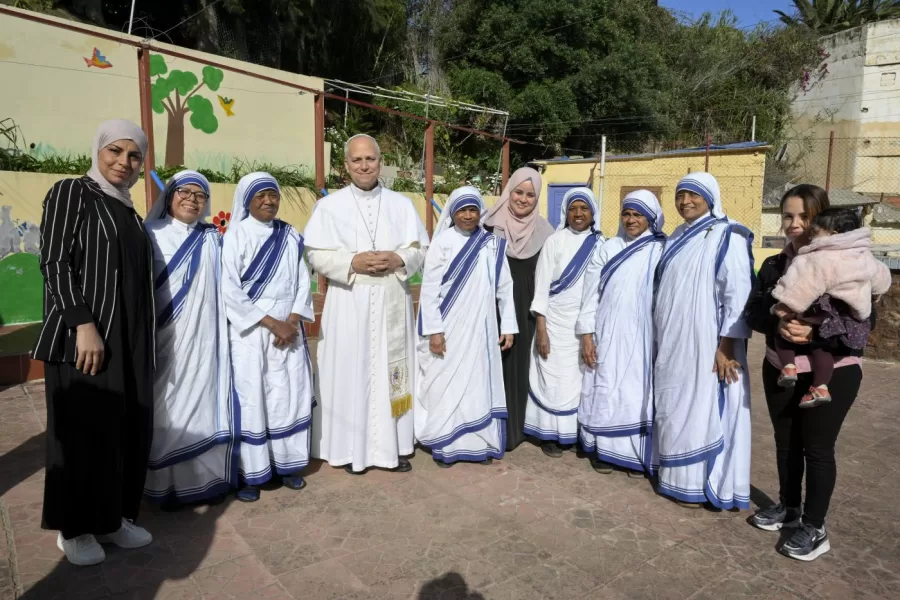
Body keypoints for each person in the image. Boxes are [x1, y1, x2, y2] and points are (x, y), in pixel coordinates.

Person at [33, 120, 155, 566]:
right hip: (85, 338)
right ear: (98, 151)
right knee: (83, 431)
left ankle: (112, 518)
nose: (124, 162)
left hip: (129, 339)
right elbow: (54, 260)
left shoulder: (128, 210)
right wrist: (82, 323)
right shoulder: (73, 192)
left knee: (123, 429)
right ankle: (75, 527)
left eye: (134, 155)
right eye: (115, 152)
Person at [744, 185, 877, 562]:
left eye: (804, 217)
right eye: (788, 216)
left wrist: (816, 330)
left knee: (817, 449)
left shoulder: (850, 261)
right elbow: (753, 311)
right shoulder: (774, 265)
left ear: (820, 219)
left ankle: (815, 527)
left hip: (833, 370)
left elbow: (867, 320)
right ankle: (788, 508)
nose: (795, 225)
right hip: (781, 367)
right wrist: (777, 323)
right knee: (786, 443)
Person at [305, 134, 429, 474]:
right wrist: (351, 263)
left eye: (370, 159)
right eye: (357, 160)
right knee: (351, 370)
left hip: (391, 296)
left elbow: (420, 249)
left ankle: (394, 447)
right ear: (346, 165)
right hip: (349, 300)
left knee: (391, 369)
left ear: (380, 161)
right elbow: (314, 252)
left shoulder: (401, 205)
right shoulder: (328, 207)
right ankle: (349, 449)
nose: (364, 166)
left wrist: (398, 258)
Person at [653, 172, 754, 510]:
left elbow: (737, 293)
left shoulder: (728, 234)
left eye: (693, 195)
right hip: (672, 342)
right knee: (675, 404)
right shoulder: (677, 235)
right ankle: (673, 476)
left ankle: (702, 482)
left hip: (708, 342)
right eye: (681, 195)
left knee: (703, 406)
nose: (685, 202)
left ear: (711, 197)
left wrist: (725, 346)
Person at [143, 170, 236, 507]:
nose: (192, 199)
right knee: (165, 408)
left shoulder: (213, 237)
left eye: (200, 195)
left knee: (203, 405)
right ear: (170, 196)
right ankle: (161, 486)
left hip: (204, 340)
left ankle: (204, 482)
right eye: (185, 191)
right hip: (163, 339)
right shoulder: (148, 233)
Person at [222, 172, 315, 502]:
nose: (268, 200)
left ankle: (286, 465)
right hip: (252, 333)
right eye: (260, 195)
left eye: (273, 195)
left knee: (288, 394)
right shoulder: (235, 236)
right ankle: (250, 472)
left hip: (287, 332)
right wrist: (273, 324)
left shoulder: (289, 235)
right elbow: (229, 289)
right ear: (247, 200)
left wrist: (290, 320)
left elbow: (303, 281)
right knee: (252, 398)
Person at [415, 187, 517, 467]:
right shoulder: (443, 242)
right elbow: (430, 290)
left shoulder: (492, 244)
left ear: (480, 212)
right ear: (453, 213)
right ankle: (447, 446)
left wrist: (508, 325)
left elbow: (505, 287)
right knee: (446, 384)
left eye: (473, 210)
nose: (468, 216)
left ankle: (479, 445)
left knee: (477, 386)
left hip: (482, 331)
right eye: (462, 210)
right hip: (449, 330)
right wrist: (434, 331)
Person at [577, 190, 665, 476]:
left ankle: (635, 455)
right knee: (604, 387)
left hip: (643, 337)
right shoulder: (608, 247)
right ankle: (602, 450)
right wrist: (587, 335)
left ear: (651, 218)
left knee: (637, 392)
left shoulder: (661, 249)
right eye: (626, 213)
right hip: (607, 332)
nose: (631, 219)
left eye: (638, 214)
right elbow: (589, 295)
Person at [770, 208, 890, 408]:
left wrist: (784, 307)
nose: (811, 234)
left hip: (821, 311)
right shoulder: (864, 255)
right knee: (822, 348)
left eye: (815, 231)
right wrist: (874, 295)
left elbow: (802, 285)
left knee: (783, 337)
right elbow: (882, 279)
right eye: (788, 216)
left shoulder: (818, 257)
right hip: (851, 314)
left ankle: (789, 367)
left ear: (833, 235)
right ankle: (821, 387)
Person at [526, 187, 604, 457]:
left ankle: (571, 433)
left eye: (584, 208)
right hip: (554, 321)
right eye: (573, 209)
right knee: (551, 378)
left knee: (577, 380)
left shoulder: (602, 244)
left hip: (585, 325)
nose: (578, 214)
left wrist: (591, 330)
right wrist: (541, 328)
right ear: (566, 212)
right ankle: (548, 433)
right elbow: (541, 287)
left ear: (593, 212)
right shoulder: (554, 241)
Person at [483, 167, 555, 451]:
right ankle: (493, 428)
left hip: (527, 306)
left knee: (524, 365)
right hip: (493, 304)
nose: (523, 199)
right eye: (518, 192)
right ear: (508, 191)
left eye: (530, 194)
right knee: (494, 363)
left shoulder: (547, 232)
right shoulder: (489, 226)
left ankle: (519, 428)